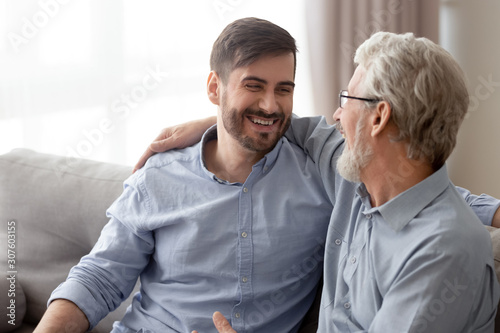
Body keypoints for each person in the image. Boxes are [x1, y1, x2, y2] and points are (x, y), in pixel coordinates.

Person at [35, 18, 500, 333]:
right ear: (215, 88)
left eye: (284, 89)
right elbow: (98, 276)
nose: (272, 105)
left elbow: (419, 188)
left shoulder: (331, 175)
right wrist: (219, 123)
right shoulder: (160, 174)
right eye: (253, 86)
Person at [186, 32, 500, 332]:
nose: (337, 115)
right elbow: (295, 127)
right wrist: (220, 121)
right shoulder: (358, 183)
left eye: (347, 98)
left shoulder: (441, 252)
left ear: (378, 118)